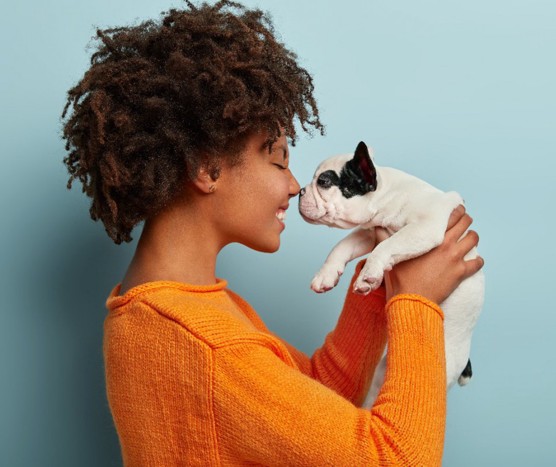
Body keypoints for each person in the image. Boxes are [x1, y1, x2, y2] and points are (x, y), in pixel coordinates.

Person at [61, 2, 484, 465]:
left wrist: (379, 279)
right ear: (206, 167)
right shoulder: (211, 347)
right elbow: (399, 460)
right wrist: (416, 304)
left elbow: (316, 396)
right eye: (277, 158)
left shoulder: (165, 308)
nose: (292, 184)